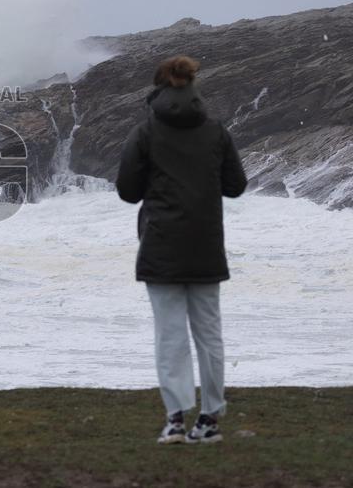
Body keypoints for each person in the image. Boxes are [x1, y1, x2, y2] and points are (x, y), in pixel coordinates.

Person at [116, 55, 248, 445]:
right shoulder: (215, 131)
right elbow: (236, 185)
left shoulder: (145, 132)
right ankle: (209, 419)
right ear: (193, 86)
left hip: (161, 246)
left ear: (158, 88)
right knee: (210, 334)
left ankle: (175, 419)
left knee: (169, 334)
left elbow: (127, 191)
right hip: (206, 246)